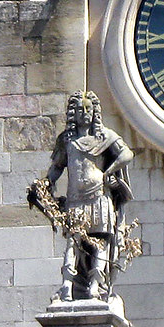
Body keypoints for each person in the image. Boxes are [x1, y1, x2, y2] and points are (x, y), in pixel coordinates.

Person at [30, 91, 134, 301]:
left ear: (95, 112)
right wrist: (45, 184)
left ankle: (95, 286)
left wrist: (108, 172)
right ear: (73, 114)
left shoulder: (105, 136)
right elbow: (57, 168)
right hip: (75, 199)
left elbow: (126, 154)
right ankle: (67, 286)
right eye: (80, 109)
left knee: (100, 243)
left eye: (88, 109)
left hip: (99, 197)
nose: (85, 113)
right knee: (73, 242)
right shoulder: (67, 140)